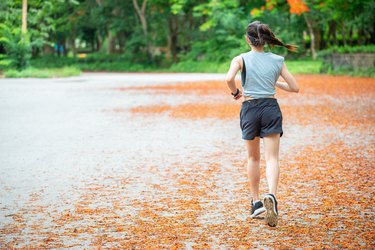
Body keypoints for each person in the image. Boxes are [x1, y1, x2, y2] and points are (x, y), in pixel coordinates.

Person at [225, 21, 300, 227]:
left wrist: (235, 93)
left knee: (253, 158)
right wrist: (274, 82)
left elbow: (229, 78)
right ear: (265, 40)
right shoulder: (277, 60)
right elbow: (294, 87)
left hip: (250, 108)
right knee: (272, 158)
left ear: (247, 39)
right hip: (270, 108)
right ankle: (272, 196)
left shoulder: (240, 59)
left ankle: (257, 202)